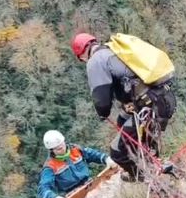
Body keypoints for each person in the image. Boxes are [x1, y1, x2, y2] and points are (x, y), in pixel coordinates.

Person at [71, 32, 177, 182]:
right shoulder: (114, 50)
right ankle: (154, 166)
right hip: (162, 100)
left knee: (117, 152)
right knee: (123, 122)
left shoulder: (95, 61)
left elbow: (102, 101)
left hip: (149, 108)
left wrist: (102, 113)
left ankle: (148, 177)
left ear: (81, 55)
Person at [37, 130, 116, 198]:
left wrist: (106, 158)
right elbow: (43, 189)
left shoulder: (75, 150)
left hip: (90, 184)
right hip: (72, 195)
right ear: (52, 150)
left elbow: (92, 154)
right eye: (58, 149)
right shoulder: (50, 167)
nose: (63, 149)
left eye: (62, 145)